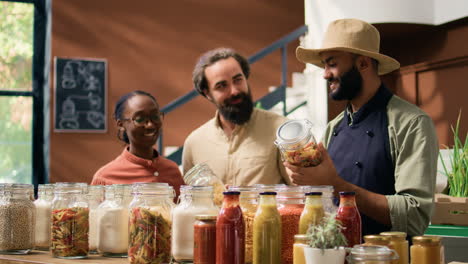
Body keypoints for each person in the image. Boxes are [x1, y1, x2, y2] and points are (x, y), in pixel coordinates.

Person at [290, 18, 438, 237]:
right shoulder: (334, 127)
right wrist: (307, 180)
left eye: (332, 63)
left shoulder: (411, 123)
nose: (325, 74)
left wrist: (335, 183)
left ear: (363, 64)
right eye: (324, 65)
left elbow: (414, 216)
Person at [182, 48, 290, 186]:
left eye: (238, 80)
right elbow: (191, 201)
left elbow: (300, 192)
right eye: (222, 86)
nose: (234, 91)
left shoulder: (281, 130)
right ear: (207, 93)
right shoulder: (194, 143)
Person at [91, 90, 185, 197]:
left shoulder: (172, 170)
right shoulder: (105, 178)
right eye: (140, 119)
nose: (150, 125)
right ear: (121, 124)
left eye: (155, 117)